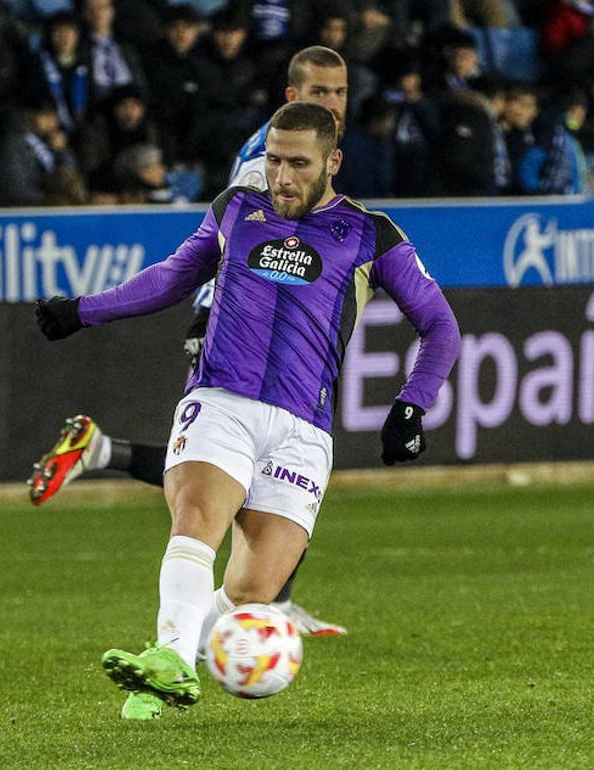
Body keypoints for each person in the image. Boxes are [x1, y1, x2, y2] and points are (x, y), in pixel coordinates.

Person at [34, 101, 460, 720]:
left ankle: (167, 656)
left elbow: (440, 325)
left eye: (298, 164)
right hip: (221, 400)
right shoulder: (237, 207)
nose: (282, 177)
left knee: (252, 590)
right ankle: (174, 662)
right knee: (198, 519)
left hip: (303, 430)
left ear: (332, 162)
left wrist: (412, 405)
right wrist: (83, 311)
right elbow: (173, 277)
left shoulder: (373, 233)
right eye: (274, 161)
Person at [28, 45, 351, 637]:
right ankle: (255, 611)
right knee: (236, 466)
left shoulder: (307, 154)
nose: (331, 103)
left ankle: (103, 453)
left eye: (339, 92)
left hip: (262, 327)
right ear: (291, 99)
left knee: (259, 466)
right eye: (318, 94)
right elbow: (228, 252)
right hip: (236, 325)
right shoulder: (271, 162)